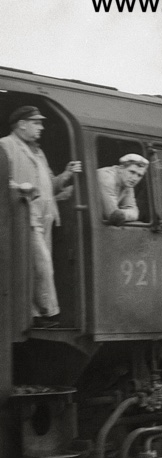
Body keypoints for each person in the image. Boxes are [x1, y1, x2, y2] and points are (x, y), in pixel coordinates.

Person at [0, 106, 82, 328]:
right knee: (42, 265)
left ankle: (35, 314)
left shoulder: (38, 152)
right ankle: (48, 313)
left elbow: (50, 186)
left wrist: (66, 175)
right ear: (21, 124)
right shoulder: (5, 145)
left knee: (38, 267)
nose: (41, 127)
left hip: (45, 217)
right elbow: (4, 180)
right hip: (24, 215)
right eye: (36, 123)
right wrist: (20, 188)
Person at [97, 153, 149, 225]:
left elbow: (134, 212)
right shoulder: (107, 178)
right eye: (132, 172)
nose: (135, 178)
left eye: (139, 175)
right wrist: (124, 214)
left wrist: (123, 214)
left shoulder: (127, 183)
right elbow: (112, 215)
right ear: (121, 168)